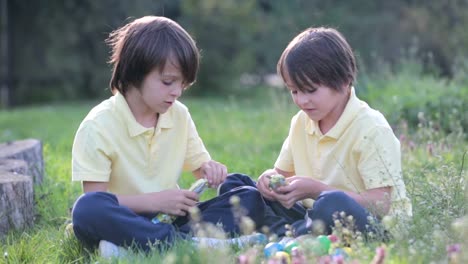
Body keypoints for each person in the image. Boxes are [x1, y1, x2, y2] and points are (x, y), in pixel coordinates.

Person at [70, 16, 265, 257]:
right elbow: (97, 198)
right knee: (86, 209)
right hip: (122, 220)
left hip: (170, 218)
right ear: (134, 73)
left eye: (183, 84)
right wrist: (155, 201)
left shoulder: (178, 115)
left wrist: (210, 170)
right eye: (168, 82)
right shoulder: (97, 126)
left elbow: (198, 169)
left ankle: (138, 248)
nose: (177, 92)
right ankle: (189, 243)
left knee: (248, 196)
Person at [219, 27, 412, 238]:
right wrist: (268, 180)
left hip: (371, 225)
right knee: (236, 185)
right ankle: (290, 233)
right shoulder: (302, 122)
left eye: (311, 90)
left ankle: (276, 235)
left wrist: (316, 190)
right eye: (294, 91)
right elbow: (280, 174)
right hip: (311, 213)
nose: (301, 100)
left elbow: (381, 204)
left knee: (330, 203)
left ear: (344, 81)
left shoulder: (371, 129)